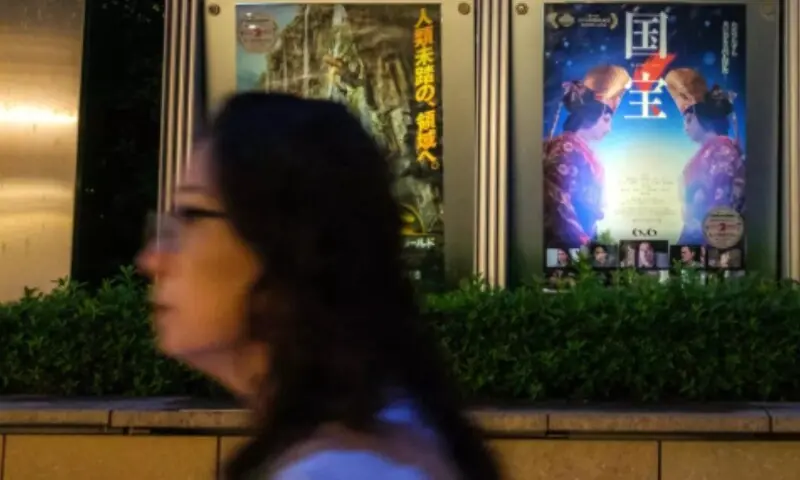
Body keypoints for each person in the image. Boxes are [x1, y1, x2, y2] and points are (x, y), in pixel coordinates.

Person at [136, 93, 500, 480]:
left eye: (191, 215)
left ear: (288, 244)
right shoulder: (378, 431)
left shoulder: (346, 469)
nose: (152, 259)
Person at [543, 64, 631, 247]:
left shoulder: (576, 149)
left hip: (582, 233)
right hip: (567, 240)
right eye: (606, 119)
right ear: (591, 115)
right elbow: (559, 204)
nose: (609, 128)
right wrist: (582, 242)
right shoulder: (566, 150)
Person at [664, 68, 746, 245]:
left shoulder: (721, 150)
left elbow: (722, 200)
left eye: (688, 120)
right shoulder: (714, 150)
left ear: (700, 117)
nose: (685, 127)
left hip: (713, 233)